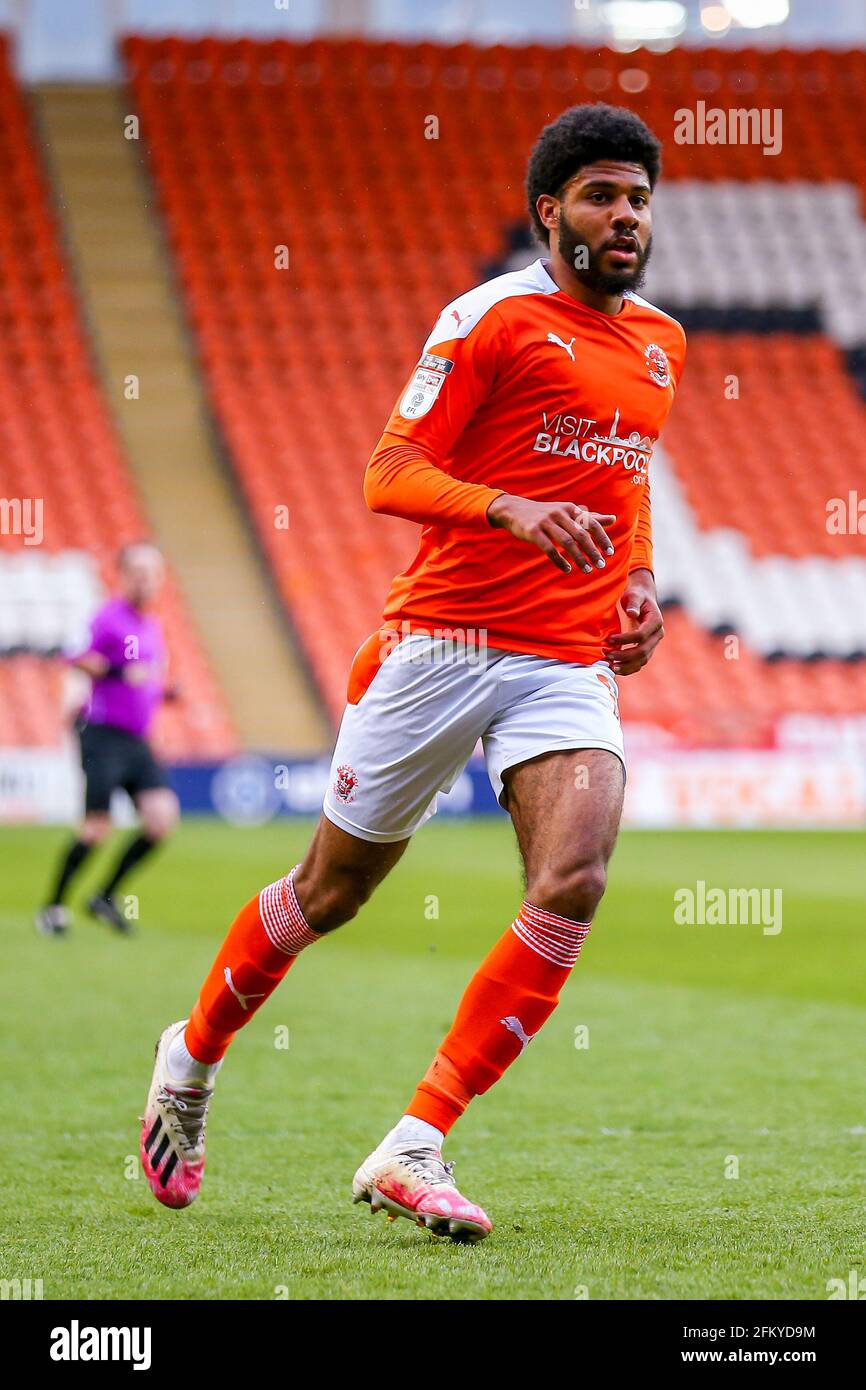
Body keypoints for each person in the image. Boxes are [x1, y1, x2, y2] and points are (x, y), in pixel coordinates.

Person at [140, 103, 686, 1241]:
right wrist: (506, 506)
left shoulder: (661, 344)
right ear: (550, 212)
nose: (625, 216)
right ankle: (189, 1057)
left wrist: (635, 583)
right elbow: (388, 470)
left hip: (560, 662)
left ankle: (414, 1140)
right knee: (327, 895)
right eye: (600, 195)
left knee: (573, 877)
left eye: (636, 195)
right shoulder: (486, 319)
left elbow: (625, 480)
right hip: (440, 645)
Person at [35, 542, 180, 936]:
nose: (147, 582)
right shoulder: (108, 617)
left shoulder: (151, 624)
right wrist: (117, 672)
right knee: (97, 826)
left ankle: (105, 896)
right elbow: (74, 655)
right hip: (103, 735)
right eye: (139, 573)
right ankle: (53, 907)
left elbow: (143, 679)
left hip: (137, 739)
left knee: (161, 817)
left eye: (154, 575)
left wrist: (164, 693)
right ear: (123, 576)